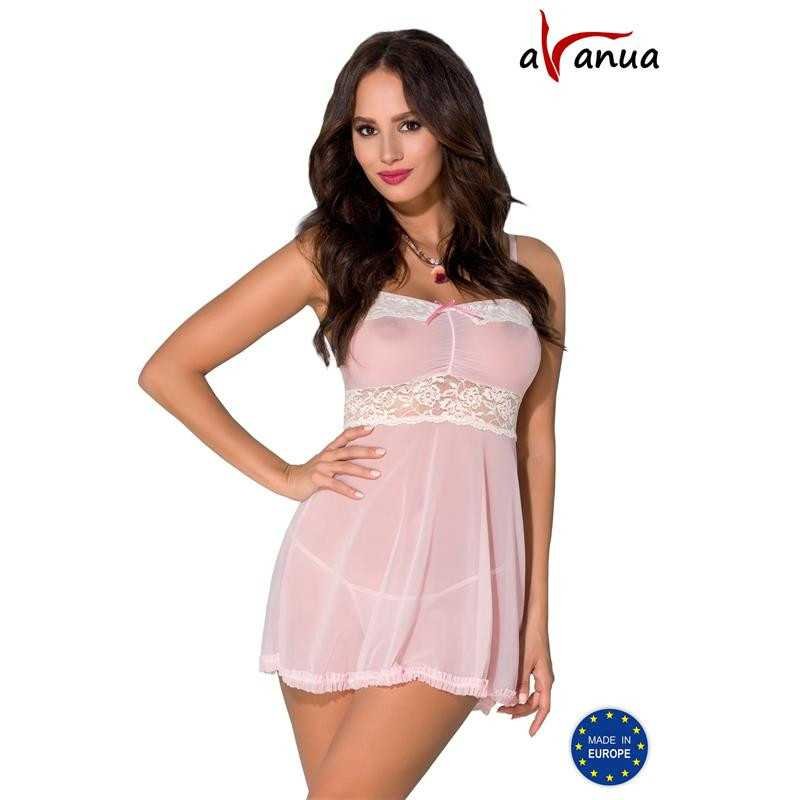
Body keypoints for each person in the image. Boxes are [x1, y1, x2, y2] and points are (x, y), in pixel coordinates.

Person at [139, 28, 566, 800]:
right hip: (338, 573)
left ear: (452, 125)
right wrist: (285, 475)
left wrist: (534, 615)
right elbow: (170, 369)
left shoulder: (531, 266)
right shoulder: (329, 255)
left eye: (409, 123)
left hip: (464, 585)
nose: (386, 151)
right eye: (366, 129)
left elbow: (536, 444)